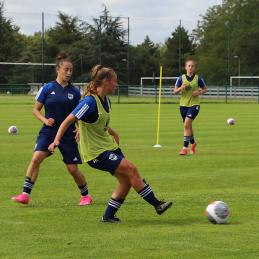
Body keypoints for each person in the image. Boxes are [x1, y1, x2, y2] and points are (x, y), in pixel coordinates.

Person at [48, 65, 172, 223]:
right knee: (132, 169)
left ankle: (107, 217)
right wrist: (57, 140)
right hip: (96, 152)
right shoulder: (89, 101)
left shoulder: (105, 101)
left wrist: (113, 132)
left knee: (127, 181)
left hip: (109, 147)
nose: (117, 84)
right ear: (106, 81)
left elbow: (95, 121)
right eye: (115, 81)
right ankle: (157, 205)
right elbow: (68, 120)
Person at [11, 52, 92, 206]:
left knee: (73, 170)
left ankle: (86, 196)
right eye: (66, 70)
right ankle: (25, 194)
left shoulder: (74, 92)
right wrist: (45, 120)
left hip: (67, 134)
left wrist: (79, 129)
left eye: (70, 70)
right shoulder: (47, 88)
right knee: (35, 159)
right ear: (57, 70)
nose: (68, 73)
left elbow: (79, 113)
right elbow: (36, 110)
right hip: (48, 132)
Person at [173, 60, 208, 155]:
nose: (190, 67)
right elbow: (175, 92)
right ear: (185, 67)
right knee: (189, 126)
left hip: (194, 105)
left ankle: (184, 148)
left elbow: (205, 89)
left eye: (192, 66)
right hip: (183, 105)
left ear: (194, 68)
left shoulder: (198, 78)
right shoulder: (181, 78)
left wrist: (199, 93)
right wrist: (180, 88)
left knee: (186, 125)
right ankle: (193, 144)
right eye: (189, 66)